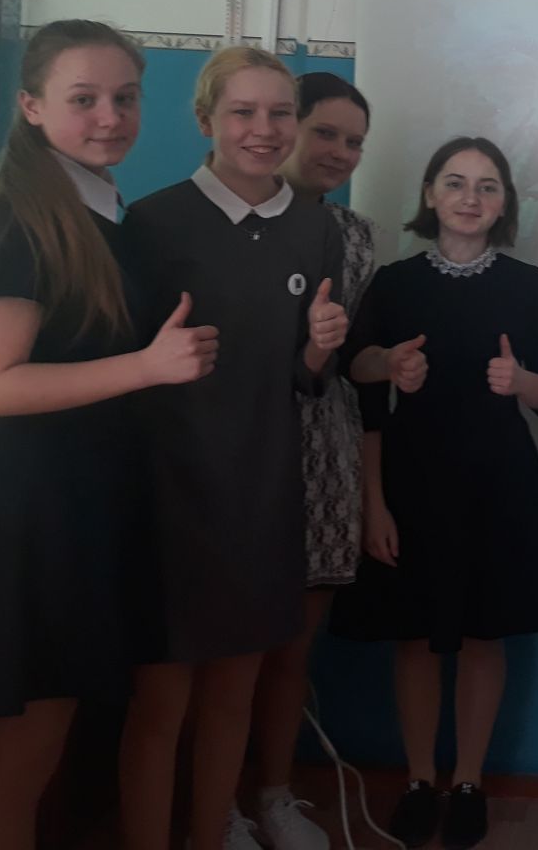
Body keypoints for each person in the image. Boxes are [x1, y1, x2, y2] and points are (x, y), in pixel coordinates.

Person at [0, 20, 217, 850]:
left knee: (47, 750)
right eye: (84, 99)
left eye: (125, 98)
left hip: (85, 509)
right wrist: (148, 366)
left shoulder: (93, 210)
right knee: (16, 758)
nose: (110, 117)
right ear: (31, 106)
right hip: (39, 516)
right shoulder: (15, 220)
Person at [119, 46, 348, 850]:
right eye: (243, 112)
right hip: (169, 497)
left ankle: (213, 830)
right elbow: (123, 370)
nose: (263, 129)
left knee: (233, 695)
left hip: (262, 493)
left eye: (279, 113)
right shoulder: (151, 224)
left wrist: (321, 346)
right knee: (161, 704)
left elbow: (302, 380)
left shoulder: (316, 228)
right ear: (205, 119)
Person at [331, 135, 538, 850]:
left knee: (481, 635)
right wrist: (387, 363)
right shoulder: (395, 282)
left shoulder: (527, 284)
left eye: (487, 186)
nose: (471, 197)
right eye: (456, 182)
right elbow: (357, 372)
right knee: (414, 637)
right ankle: (417, 780)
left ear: (504, 204)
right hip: (411, 480)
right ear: (430, 195)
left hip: (499, 482)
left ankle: (467, 781)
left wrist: (520, 381)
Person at [235, 72, 378, 849]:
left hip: (326, 452)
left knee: (293, 649)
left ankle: (274, 795)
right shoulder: (224, 217)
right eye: (325, 132)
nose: (339, 152)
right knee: (229, 653)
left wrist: (387, 362)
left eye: (354, 142)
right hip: (239, 448)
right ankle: (214, 805)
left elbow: (350, 357)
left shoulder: (356, 235)